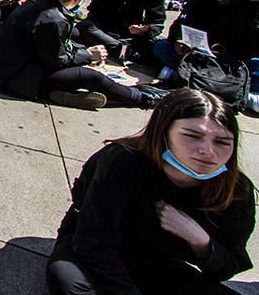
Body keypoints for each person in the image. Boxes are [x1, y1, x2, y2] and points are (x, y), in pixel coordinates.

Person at [46, 89, 255, 294]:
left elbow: (227, 266)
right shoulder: (122, 162)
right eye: (192, 136)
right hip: (88, 251)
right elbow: (92, 243)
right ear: (162, 132)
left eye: (222, 142)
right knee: (71, 284)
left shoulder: (236, 190)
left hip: (157, 262)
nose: (207, 151)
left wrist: (201, 241)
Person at [0, 0, 165, 110]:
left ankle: (62, 93)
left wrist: (78, 50)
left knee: (78, 35)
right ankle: (140, 97)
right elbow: (55, 60)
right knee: (91, 76)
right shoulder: (53, 19)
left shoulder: (43, 2)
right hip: (14, 75)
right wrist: (88, 55)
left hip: (7, 64)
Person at [152, 0, 259, 81]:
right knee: (161, 48)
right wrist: (178, 40)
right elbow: (179, 26)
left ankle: (187, 76)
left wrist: (221, 56)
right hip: (197, 57)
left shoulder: (254, 15)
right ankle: (215, 82)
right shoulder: (202, 1)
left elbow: (251, 50)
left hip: (233, 63)